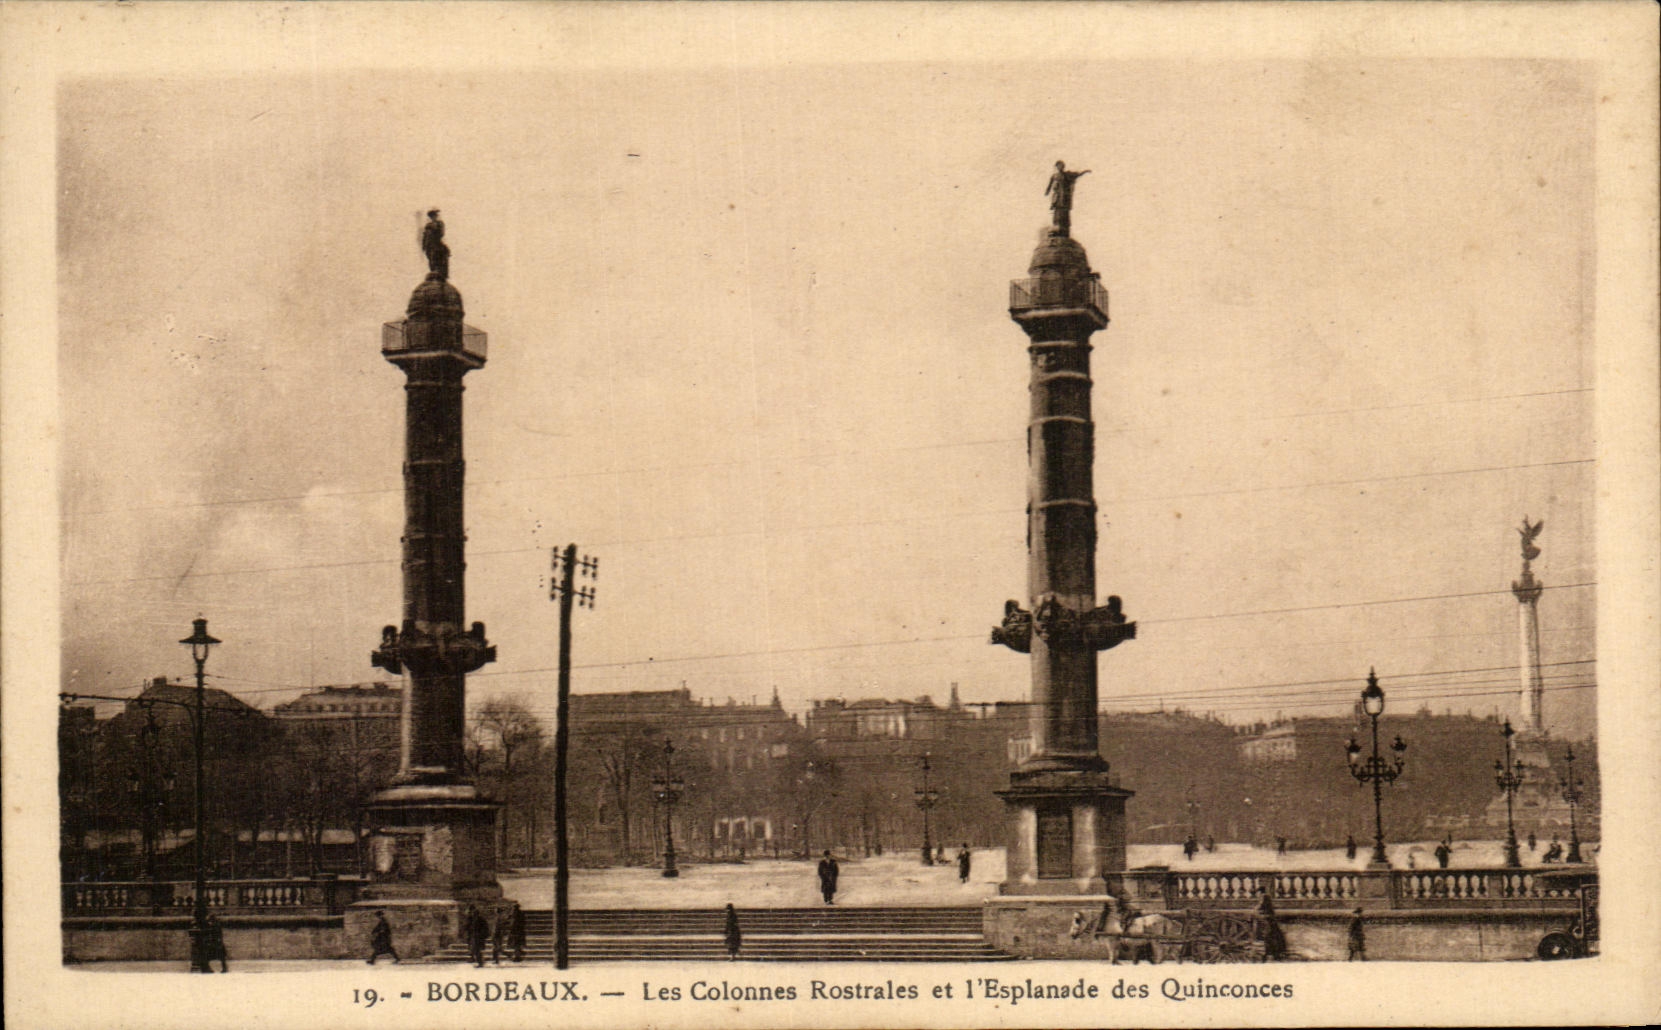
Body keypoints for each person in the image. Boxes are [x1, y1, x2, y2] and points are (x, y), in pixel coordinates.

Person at [1257, 890, 1287, 962]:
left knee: (1269, 938)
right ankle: (1275, 954)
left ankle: (1270, 954)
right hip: (1271, 925)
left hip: (1269, 926)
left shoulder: (1264, 899)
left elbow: (1260, 909)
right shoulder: (1268, 905)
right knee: (1273, 938)